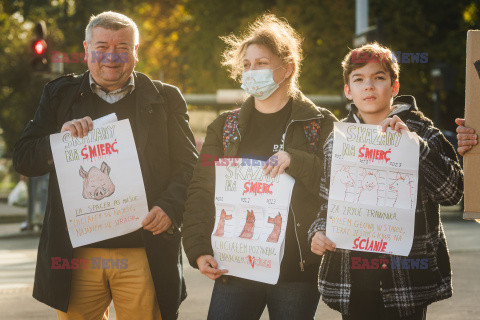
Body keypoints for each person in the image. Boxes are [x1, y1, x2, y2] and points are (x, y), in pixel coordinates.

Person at [13, 11, 197, 320]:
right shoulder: (59, 95)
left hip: (143, 249)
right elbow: (24, 157)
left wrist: (170, 207)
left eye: (122, 47)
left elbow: (190, 166)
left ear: (135, 53)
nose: (111, 56)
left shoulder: (165, 99)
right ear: (86, 52)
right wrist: (59, 141)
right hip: (78, 256)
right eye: (101, 46)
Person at [182, 14, 337, 320]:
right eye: (247, 65)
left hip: (296, 268)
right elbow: (202, 187)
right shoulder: (224, 126)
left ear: (288, 68)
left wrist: (298, 160)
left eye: (262, 63)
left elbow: (336, 185)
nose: (252, 71)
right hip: (236, 264)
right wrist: (199, 249)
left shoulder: (320, 124)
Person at [308, 43, 464, 320]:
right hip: (352, 275)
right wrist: (318, 232)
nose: (368, 86)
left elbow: (452, 193)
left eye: (378, 77)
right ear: (348, 91)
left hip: (406, 277)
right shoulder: (338, 141)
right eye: (358, 79)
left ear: (394, 87)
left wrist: (414, 146)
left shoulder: (424, 134)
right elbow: (325, 203)